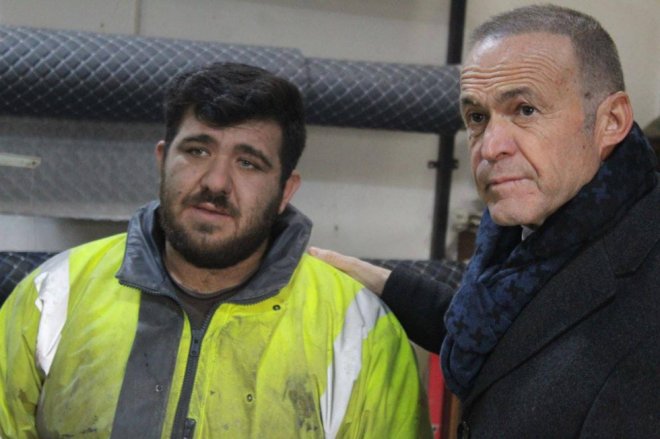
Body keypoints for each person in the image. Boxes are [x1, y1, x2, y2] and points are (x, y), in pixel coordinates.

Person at [0, 63, 431, 438]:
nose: (216, 182)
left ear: (285, 190)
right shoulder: (52, 296)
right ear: (162, 160)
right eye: (197, 150)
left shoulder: (360, 330)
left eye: (248, 163)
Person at [311, 5, 660, 438]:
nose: (490, 147)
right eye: (478, 117)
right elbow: (506, 336)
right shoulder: (529, 232)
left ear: (611, 121)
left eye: (525, 110)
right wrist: (376, 280)